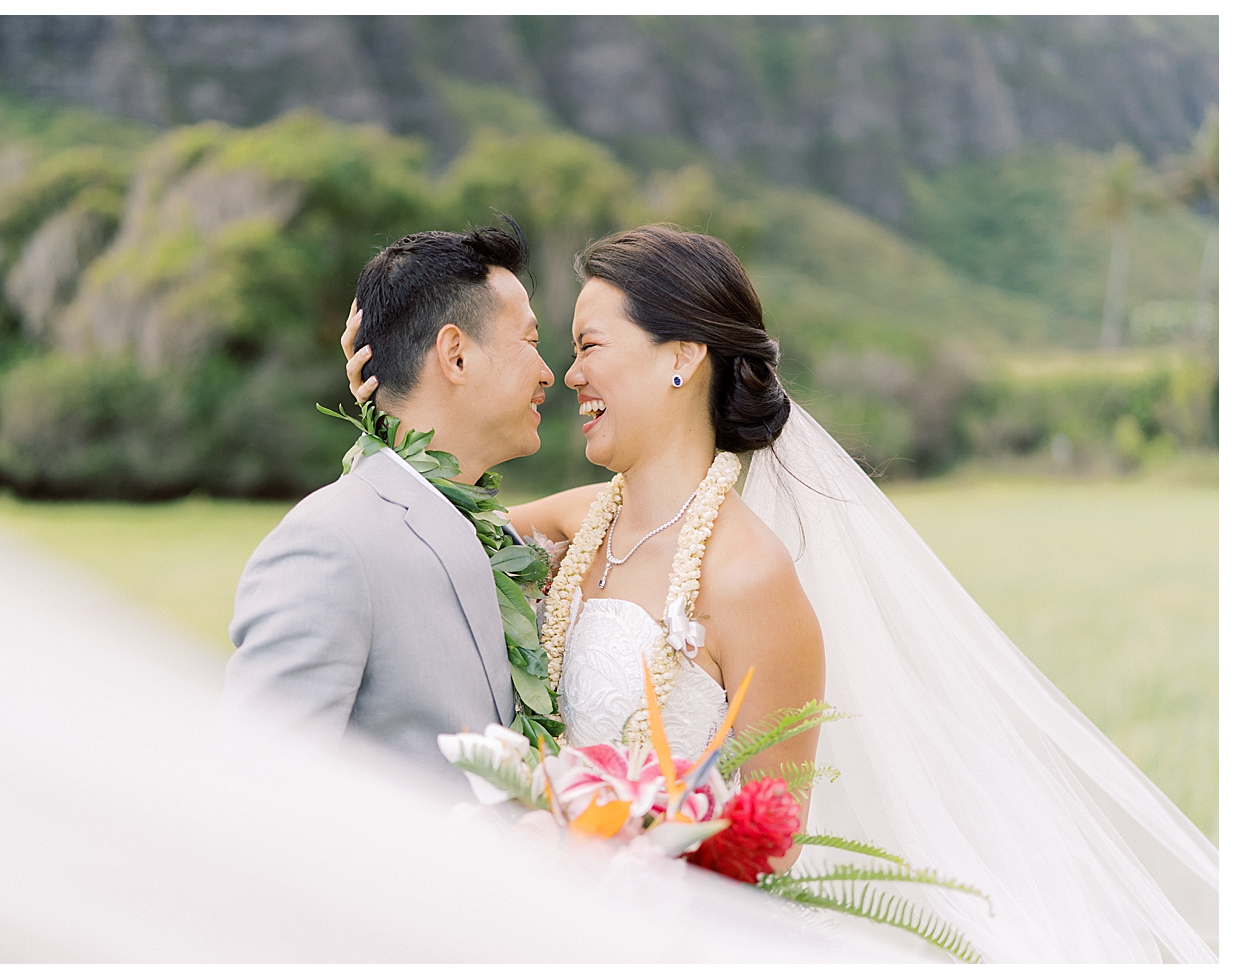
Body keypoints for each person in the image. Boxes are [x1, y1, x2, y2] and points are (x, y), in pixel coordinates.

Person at [343, 224, 1218, 962]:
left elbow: (767, 847)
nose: (568, 376)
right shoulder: (573, 525)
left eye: (589, 347)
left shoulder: (749, 576)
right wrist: (391, 417)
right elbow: (418, 533)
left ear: (683, 356)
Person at [222, 218, 553, 771]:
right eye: (531, 341)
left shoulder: (498, 535)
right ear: (456, 355)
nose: (548, 374)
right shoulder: (329, 544)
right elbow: (259, 791)